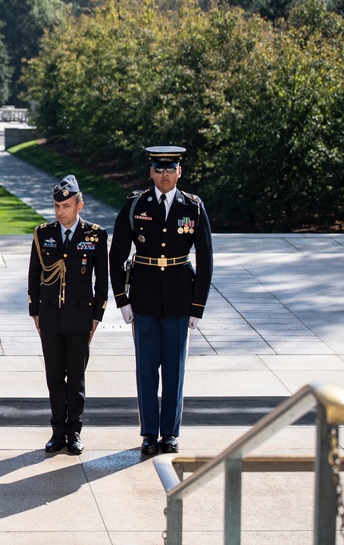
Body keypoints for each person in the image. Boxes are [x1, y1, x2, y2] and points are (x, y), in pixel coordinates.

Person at [108, 146, 213, 455]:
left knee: (174, 369)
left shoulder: (192, 207)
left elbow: (206, 259)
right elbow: (117, 256)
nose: (165, 175)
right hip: (144, 295)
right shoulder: (135, 205)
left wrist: (198, 306)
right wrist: (122, 299)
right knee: (146, 367)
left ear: (179, 171)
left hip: (180, 297)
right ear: (150, 171)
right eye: (159, 169)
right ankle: (149, 433)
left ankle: (169, 432)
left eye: (171, 169)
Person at [28, 175, 108, 455]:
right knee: (53, 377)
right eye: (56, 206)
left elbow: (102, 281)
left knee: (75, 378)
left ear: (79, 205)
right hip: (50, 317)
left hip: (79, 317)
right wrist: (34, 311)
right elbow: (34, 275)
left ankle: (74, 431)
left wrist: (96, 317)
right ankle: (57, 430)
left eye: (66, 206)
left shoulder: (95, 235)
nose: (60, 212)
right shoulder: (43, 234)